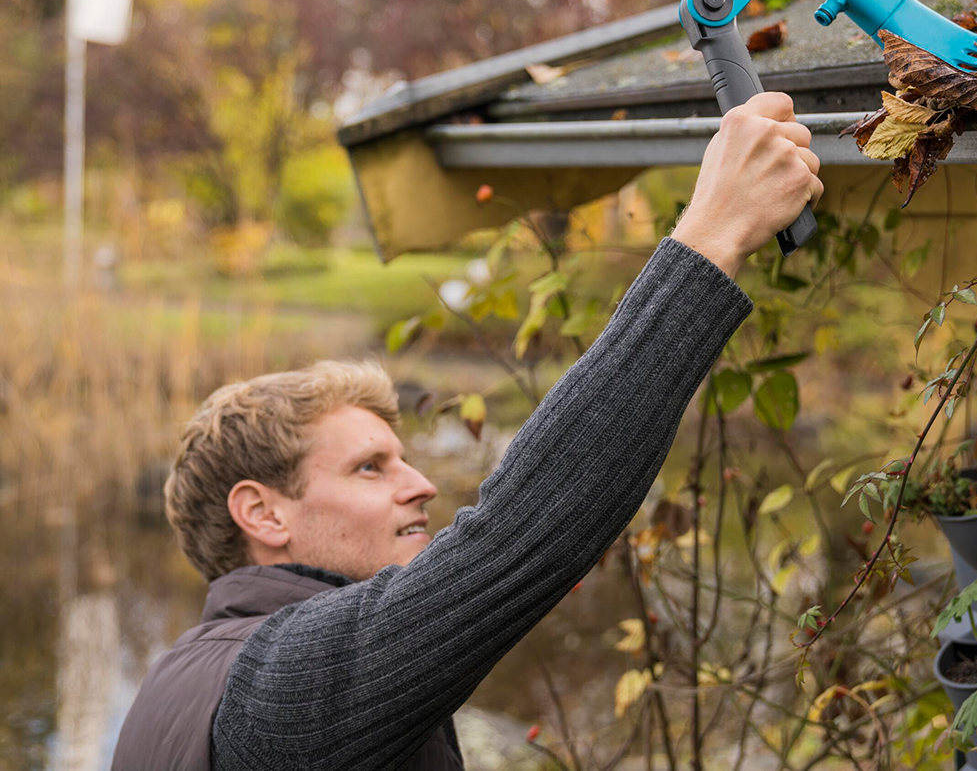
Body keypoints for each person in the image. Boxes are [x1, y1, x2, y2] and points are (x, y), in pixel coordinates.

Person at [111, 93, 823, 771]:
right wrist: (714, 232)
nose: (421, 486)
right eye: (369, 467)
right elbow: (518, 533)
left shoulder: (180, 685)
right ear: (262, 513)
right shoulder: (279, 694)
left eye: (402, 460)